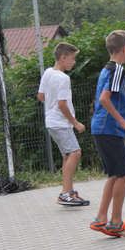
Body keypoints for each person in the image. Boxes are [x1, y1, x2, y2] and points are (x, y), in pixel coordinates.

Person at [89, 30, 125, 237]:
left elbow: (109, 101)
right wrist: (123, 122)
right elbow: (104, 99)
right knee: (124, 173)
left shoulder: (108, 69)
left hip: (102, 128)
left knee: (115, 174)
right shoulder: (118, 70)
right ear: (124, 48)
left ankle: (101, 219)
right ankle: (116, 223)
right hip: (110, 129)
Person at [37, 42, 89, 206]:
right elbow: (62, 104)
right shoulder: (63, 78)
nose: (74, 62)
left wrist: (51, 101)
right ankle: (65, 194)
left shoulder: (48, 73)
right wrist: (76, 123)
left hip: (51, 122)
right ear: (63, 57)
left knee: (68, 156)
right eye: (72, 58)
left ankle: (69, 192)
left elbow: (41, 96)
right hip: (61, 123)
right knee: (75, 153)